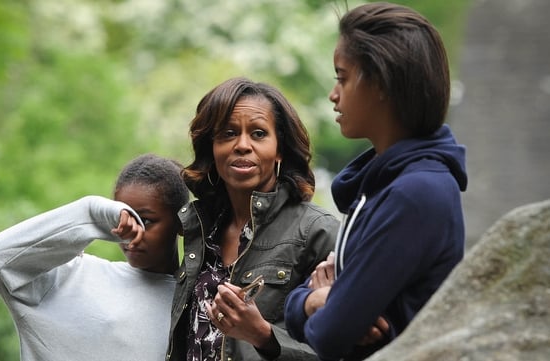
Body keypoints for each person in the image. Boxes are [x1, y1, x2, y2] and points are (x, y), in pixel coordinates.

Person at [284, 3, 468, 360]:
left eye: (342, 77)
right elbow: (319, 315)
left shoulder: (416, 194)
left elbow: (330, 332)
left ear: (381, 82)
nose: (333, 95)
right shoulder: (386, 184)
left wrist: (322, 302)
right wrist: (313, 301)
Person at [165, 77, 339, 361]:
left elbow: (350, 348)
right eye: (228, 133)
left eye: (258, 134)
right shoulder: (199, 229)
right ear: (212, 147)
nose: (242, 145)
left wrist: (263, 336)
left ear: (280, 148)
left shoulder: (317, 232)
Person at [0, 154, 189, 361]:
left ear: (181, 223)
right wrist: (93, 214)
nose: (131, 231)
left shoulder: (197, 306)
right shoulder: (72, 278)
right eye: (122, 217)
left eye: (146, 220)